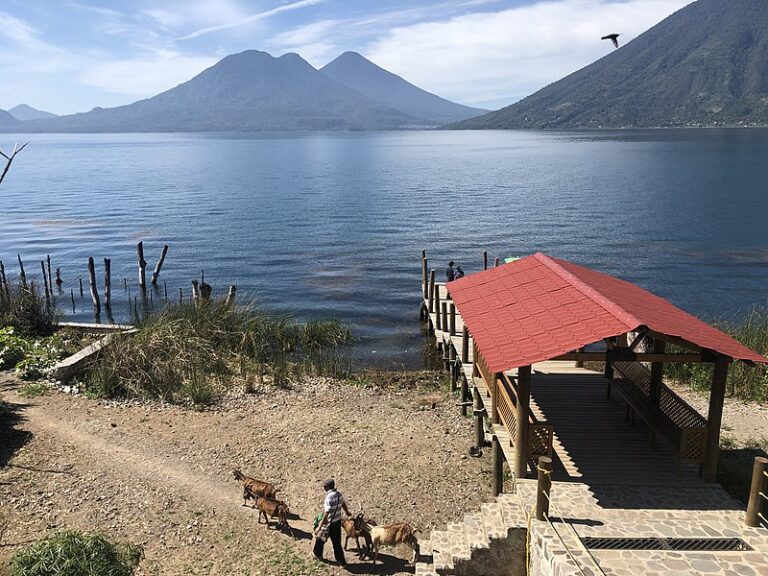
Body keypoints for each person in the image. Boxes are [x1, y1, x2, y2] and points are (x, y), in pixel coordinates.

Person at [313, 478, 351, 566]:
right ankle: (341, 561)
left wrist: (319, 526)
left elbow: (327, 512)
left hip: (329, 523)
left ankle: (318, 555)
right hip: (337, 522)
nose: (324, 488)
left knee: (320, 539)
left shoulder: (329, 497)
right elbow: (343, 503)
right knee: (337, 543)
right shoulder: (339, 494)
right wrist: (347, 512)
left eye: (324, 487)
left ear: (327, 487)